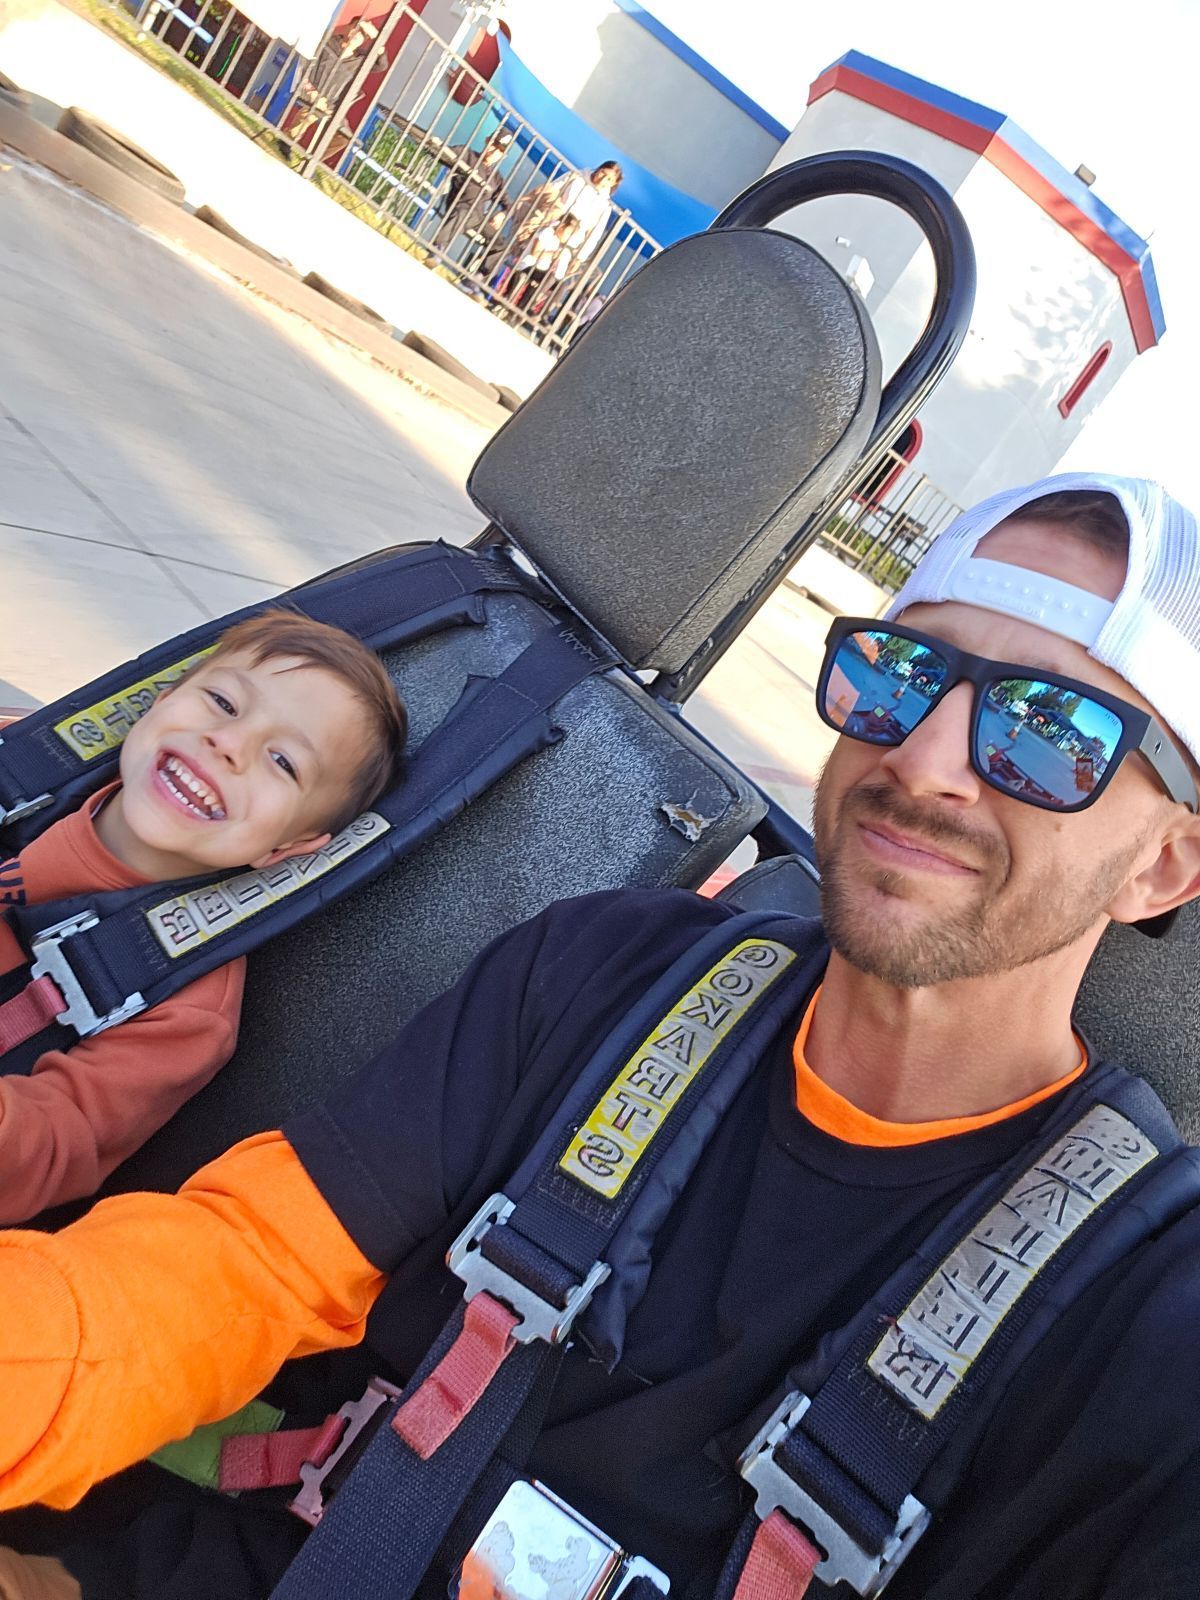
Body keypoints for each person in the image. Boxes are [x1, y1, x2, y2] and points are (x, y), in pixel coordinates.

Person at [1, 474, 1200, 1600]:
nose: (925, 760)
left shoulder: (1149, 1314)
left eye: (1049, 731)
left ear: (1163, 863)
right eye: (898, 676)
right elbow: (234, 1269)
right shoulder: (605, 968)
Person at [0, 610, 406, 1226]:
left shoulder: (187, 1004)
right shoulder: (23, 768)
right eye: (222, 701)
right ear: (161, 700)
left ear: (288, 849)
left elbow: (58, 1146)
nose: (229, 744)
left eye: (284, 763)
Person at [284, 16, 381, 166]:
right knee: (315, 109)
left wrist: (375, 35)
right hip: (311, 91)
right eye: (356, 29)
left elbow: (382, 64)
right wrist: (311, 89)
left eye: (362, 34)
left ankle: (311, 160)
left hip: (332, 105)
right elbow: (305, 61)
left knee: (344, 136)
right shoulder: (329, 42)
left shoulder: (359, 61)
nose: (357, 36)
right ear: (349, 28)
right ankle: (287, 139)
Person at [429, 129, 514, 269]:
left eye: (500, 150)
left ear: (503, 156)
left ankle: (478, 279)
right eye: (494, 145)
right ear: (487, 141)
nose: (494, 152)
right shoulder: (467, 154)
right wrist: (436, 145)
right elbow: (441, 153)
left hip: (478, 218)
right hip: (460, 206)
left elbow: (508, 204)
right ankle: (438, 248)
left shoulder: (497, 178)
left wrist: (502, 214)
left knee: (502, 245)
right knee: (464, 213)